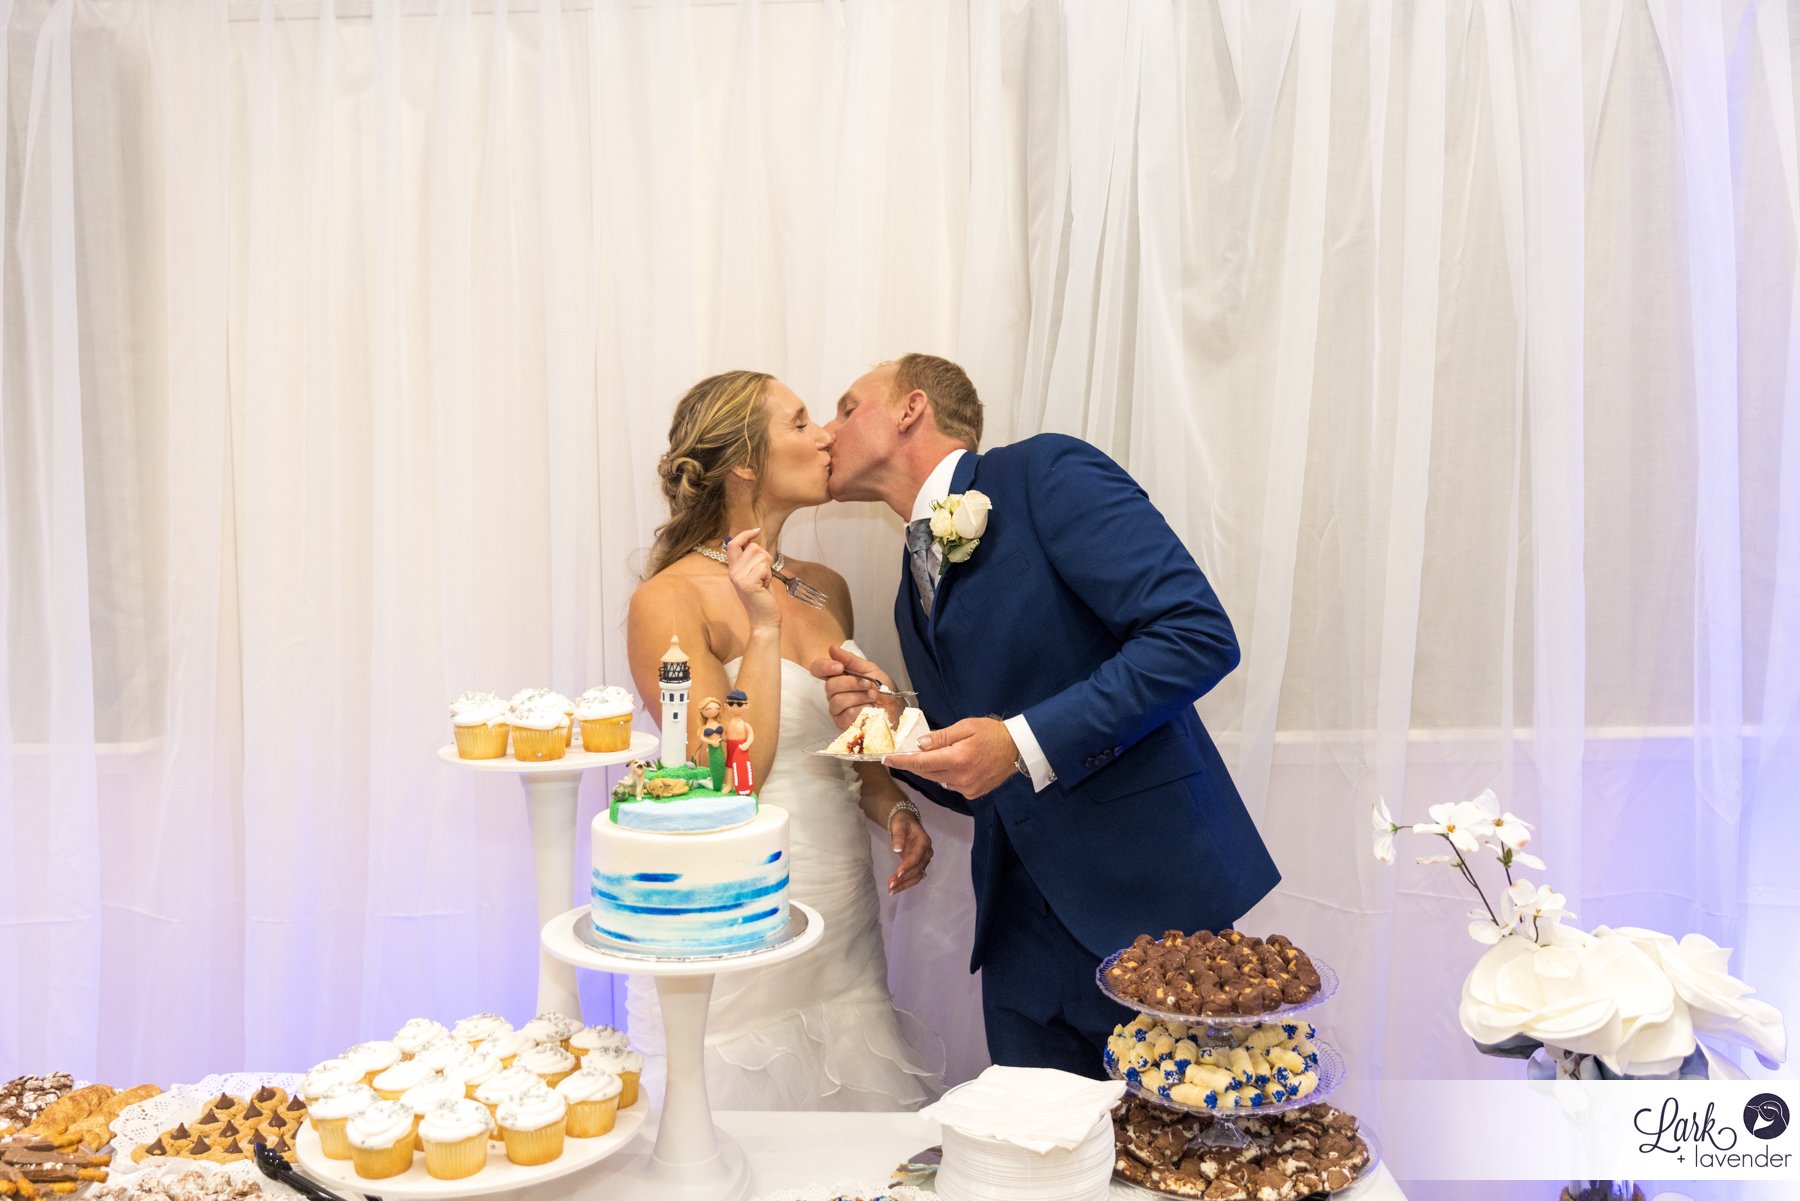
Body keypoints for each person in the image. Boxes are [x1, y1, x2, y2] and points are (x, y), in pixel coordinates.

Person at [812, 353, 1280, 1077]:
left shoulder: (1044, 474)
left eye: (846, 407)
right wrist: (893, 731)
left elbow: (1195, 633)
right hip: (1018, 948)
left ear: (909, 409)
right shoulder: (910, 589)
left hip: (1149, 910)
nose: (825, 431)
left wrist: (1022, 741)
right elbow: (978, 773)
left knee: (1167, 1171)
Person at [626, 369, 943, 1110]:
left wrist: (894, 806)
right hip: (745, 910)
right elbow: (730, 774)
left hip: (842, 913)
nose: (826, 435)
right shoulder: (667, 598)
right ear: (744, 461)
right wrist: (761, 626)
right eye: (801, 422)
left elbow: (843, 750)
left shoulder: (825, 586)